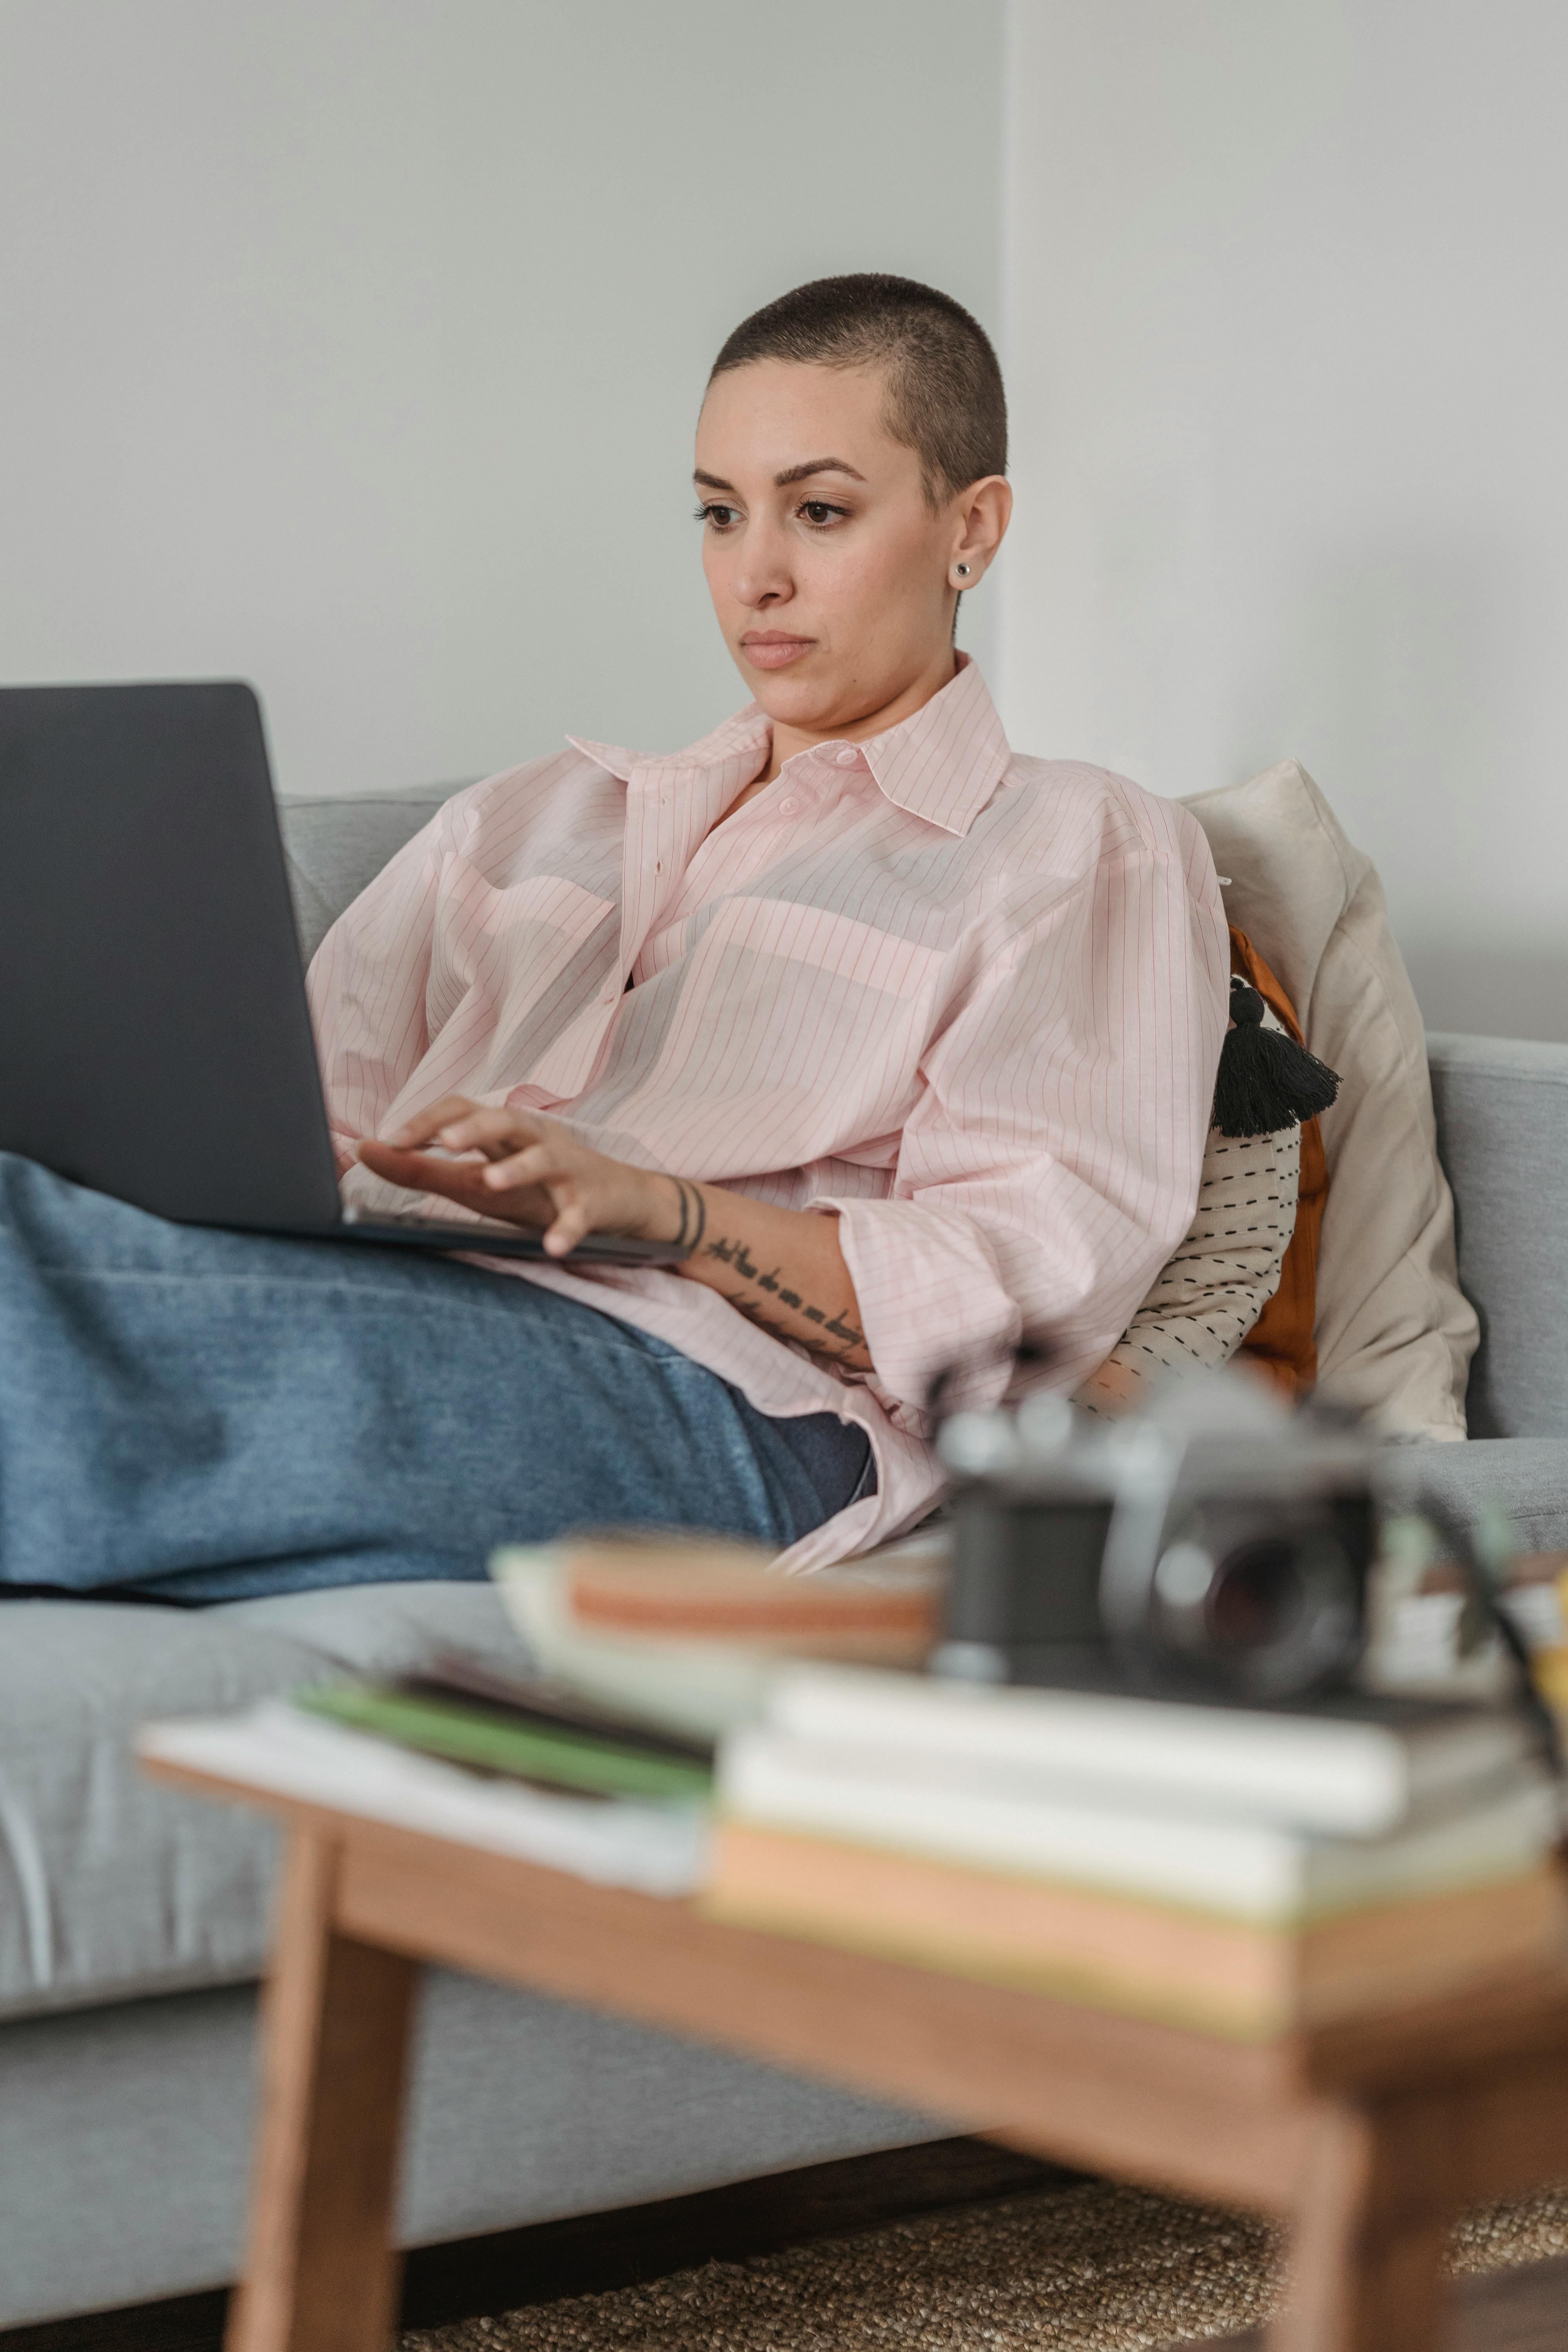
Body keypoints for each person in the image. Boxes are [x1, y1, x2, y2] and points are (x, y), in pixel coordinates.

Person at [0, 274, 1227, 1602]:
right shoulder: (527, 819)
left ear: (969, 529)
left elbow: (1019, 1316)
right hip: (402, 1289)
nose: (754, 574)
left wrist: (667, 1213)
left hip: (727, 1397)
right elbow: (289, 1121)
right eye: (718, 513)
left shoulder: (1081, 842)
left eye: (820, 512)